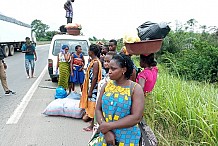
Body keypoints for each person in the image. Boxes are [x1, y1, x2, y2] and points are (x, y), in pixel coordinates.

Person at [95, 54, 145, 145]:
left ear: (124, 70)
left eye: (113, 69)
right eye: (109, 68)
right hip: (105, 135)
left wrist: (109, 126)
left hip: (127, 138)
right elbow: (98, 109)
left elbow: (136, 117)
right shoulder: (106, 85)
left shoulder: (135, 89)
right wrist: (106, 131)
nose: (109, 71)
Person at [80, 44, 102, 131]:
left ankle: (92, 125)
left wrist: (90, 91)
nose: (88, 52)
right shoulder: (93, 61)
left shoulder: (96, 62)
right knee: (91, 105)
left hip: (94, 88)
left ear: (91, 52)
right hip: (91, 87)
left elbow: (95, 77)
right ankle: (92, 123)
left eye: (89, 50)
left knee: (93, 106)